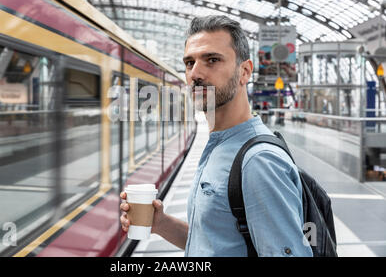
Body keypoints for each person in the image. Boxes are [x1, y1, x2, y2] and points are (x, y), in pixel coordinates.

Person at [120, 15, 313, 257]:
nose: (195, 74)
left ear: (244, 72)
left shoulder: (259, 162)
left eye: (212, 60)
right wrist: (161, 224)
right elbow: (215, 243)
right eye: (189, 63)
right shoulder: (220, 144)